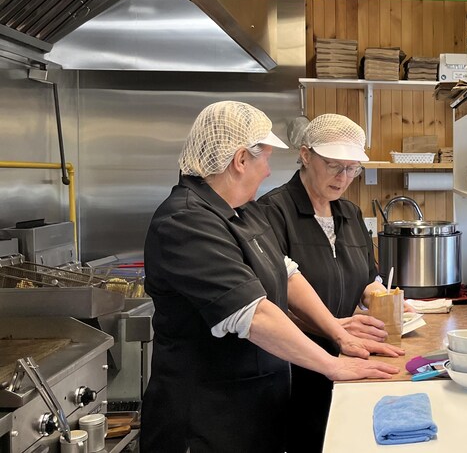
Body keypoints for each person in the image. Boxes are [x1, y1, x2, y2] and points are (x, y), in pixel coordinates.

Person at [141, 101, 401, 453]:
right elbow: (254, 314)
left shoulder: (241, 210)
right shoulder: (186, 222)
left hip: (254, 408)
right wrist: (333, 366)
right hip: (206, 420)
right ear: (240, 160)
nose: (267, 172)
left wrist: (339, 333)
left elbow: (287, 273)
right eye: (264, 158)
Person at [259, 114, 398, 452]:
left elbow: (366, 278)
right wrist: (333, 328)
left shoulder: (349, 214)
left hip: (348, 355)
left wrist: (388, 299)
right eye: (335, 165)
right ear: (306, 155)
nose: (344, 178)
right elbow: (268, 301)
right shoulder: (272, 212)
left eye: (353, 169)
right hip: (294, 362)